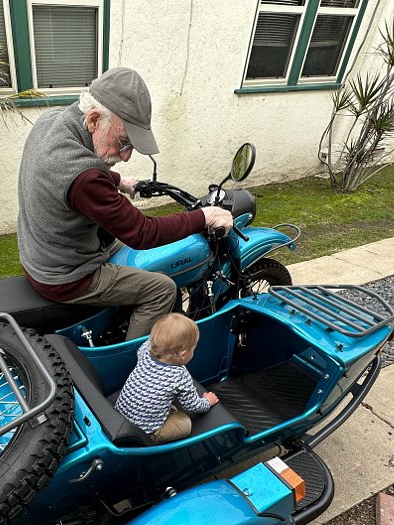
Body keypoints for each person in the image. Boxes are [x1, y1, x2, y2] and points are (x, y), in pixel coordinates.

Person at [17, 67, 234, 340]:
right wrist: (204, 216)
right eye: (123, 142)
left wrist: (118, 180)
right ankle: (134, 368)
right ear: (94, 119)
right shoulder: (85, 178)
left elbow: (76, 161)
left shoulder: (51, 121)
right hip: (66, 275)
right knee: (162, 289)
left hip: (43, 251)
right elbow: (143, 233)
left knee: (140, 256)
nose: (127, 155)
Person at [115, 313, 219, 443]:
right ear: (183, 354)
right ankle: (156, 433)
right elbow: (194, 406)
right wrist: (208, 401)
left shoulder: (146, 350)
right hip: (145, 431)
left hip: (120, 415)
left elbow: (143, 349)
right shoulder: (180, 377)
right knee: (185, 424)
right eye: (193, 349)